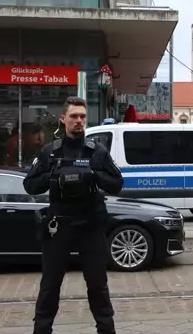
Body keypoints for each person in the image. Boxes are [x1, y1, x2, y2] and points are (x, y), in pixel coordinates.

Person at [23, 96, 124, 334]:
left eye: (82, 117)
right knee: (50, 286)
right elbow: (30, 185)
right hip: (60, 227)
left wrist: (94, 176)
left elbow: (117, 183)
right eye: (73, 117)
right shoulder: (50, 151)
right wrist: (54, 177)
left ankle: (107, 330)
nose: (78, 121)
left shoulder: (97, 152)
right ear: (63, 119)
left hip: (90, 226)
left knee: (98, 286)